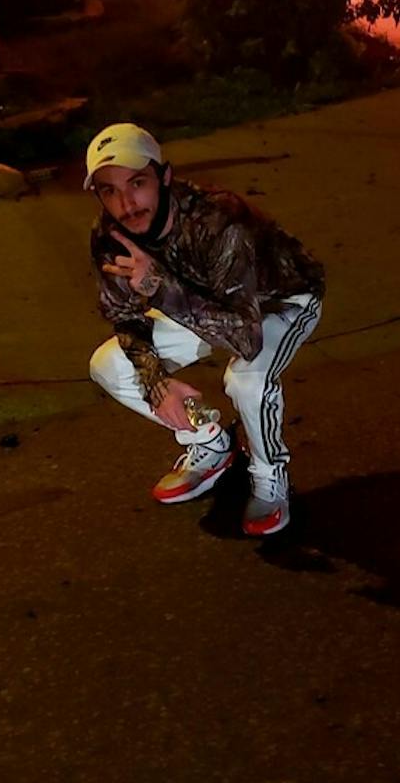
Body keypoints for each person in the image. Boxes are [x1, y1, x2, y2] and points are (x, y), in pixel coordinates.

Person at [85, 123, 325, 536]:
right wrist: (155, 380)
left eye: (137, 182)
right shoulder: (110, 235)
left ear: (164, 176)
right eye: (109, 190)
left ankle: (269, 478)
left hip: (278, 300)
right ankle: (211, 444)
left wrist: (157, 287)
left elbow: (244, 338)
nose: (125, 203)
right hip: (198, 304)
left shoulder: (218, 219)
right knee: (108, 365)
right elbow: (123, 314)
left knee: (246, 378)